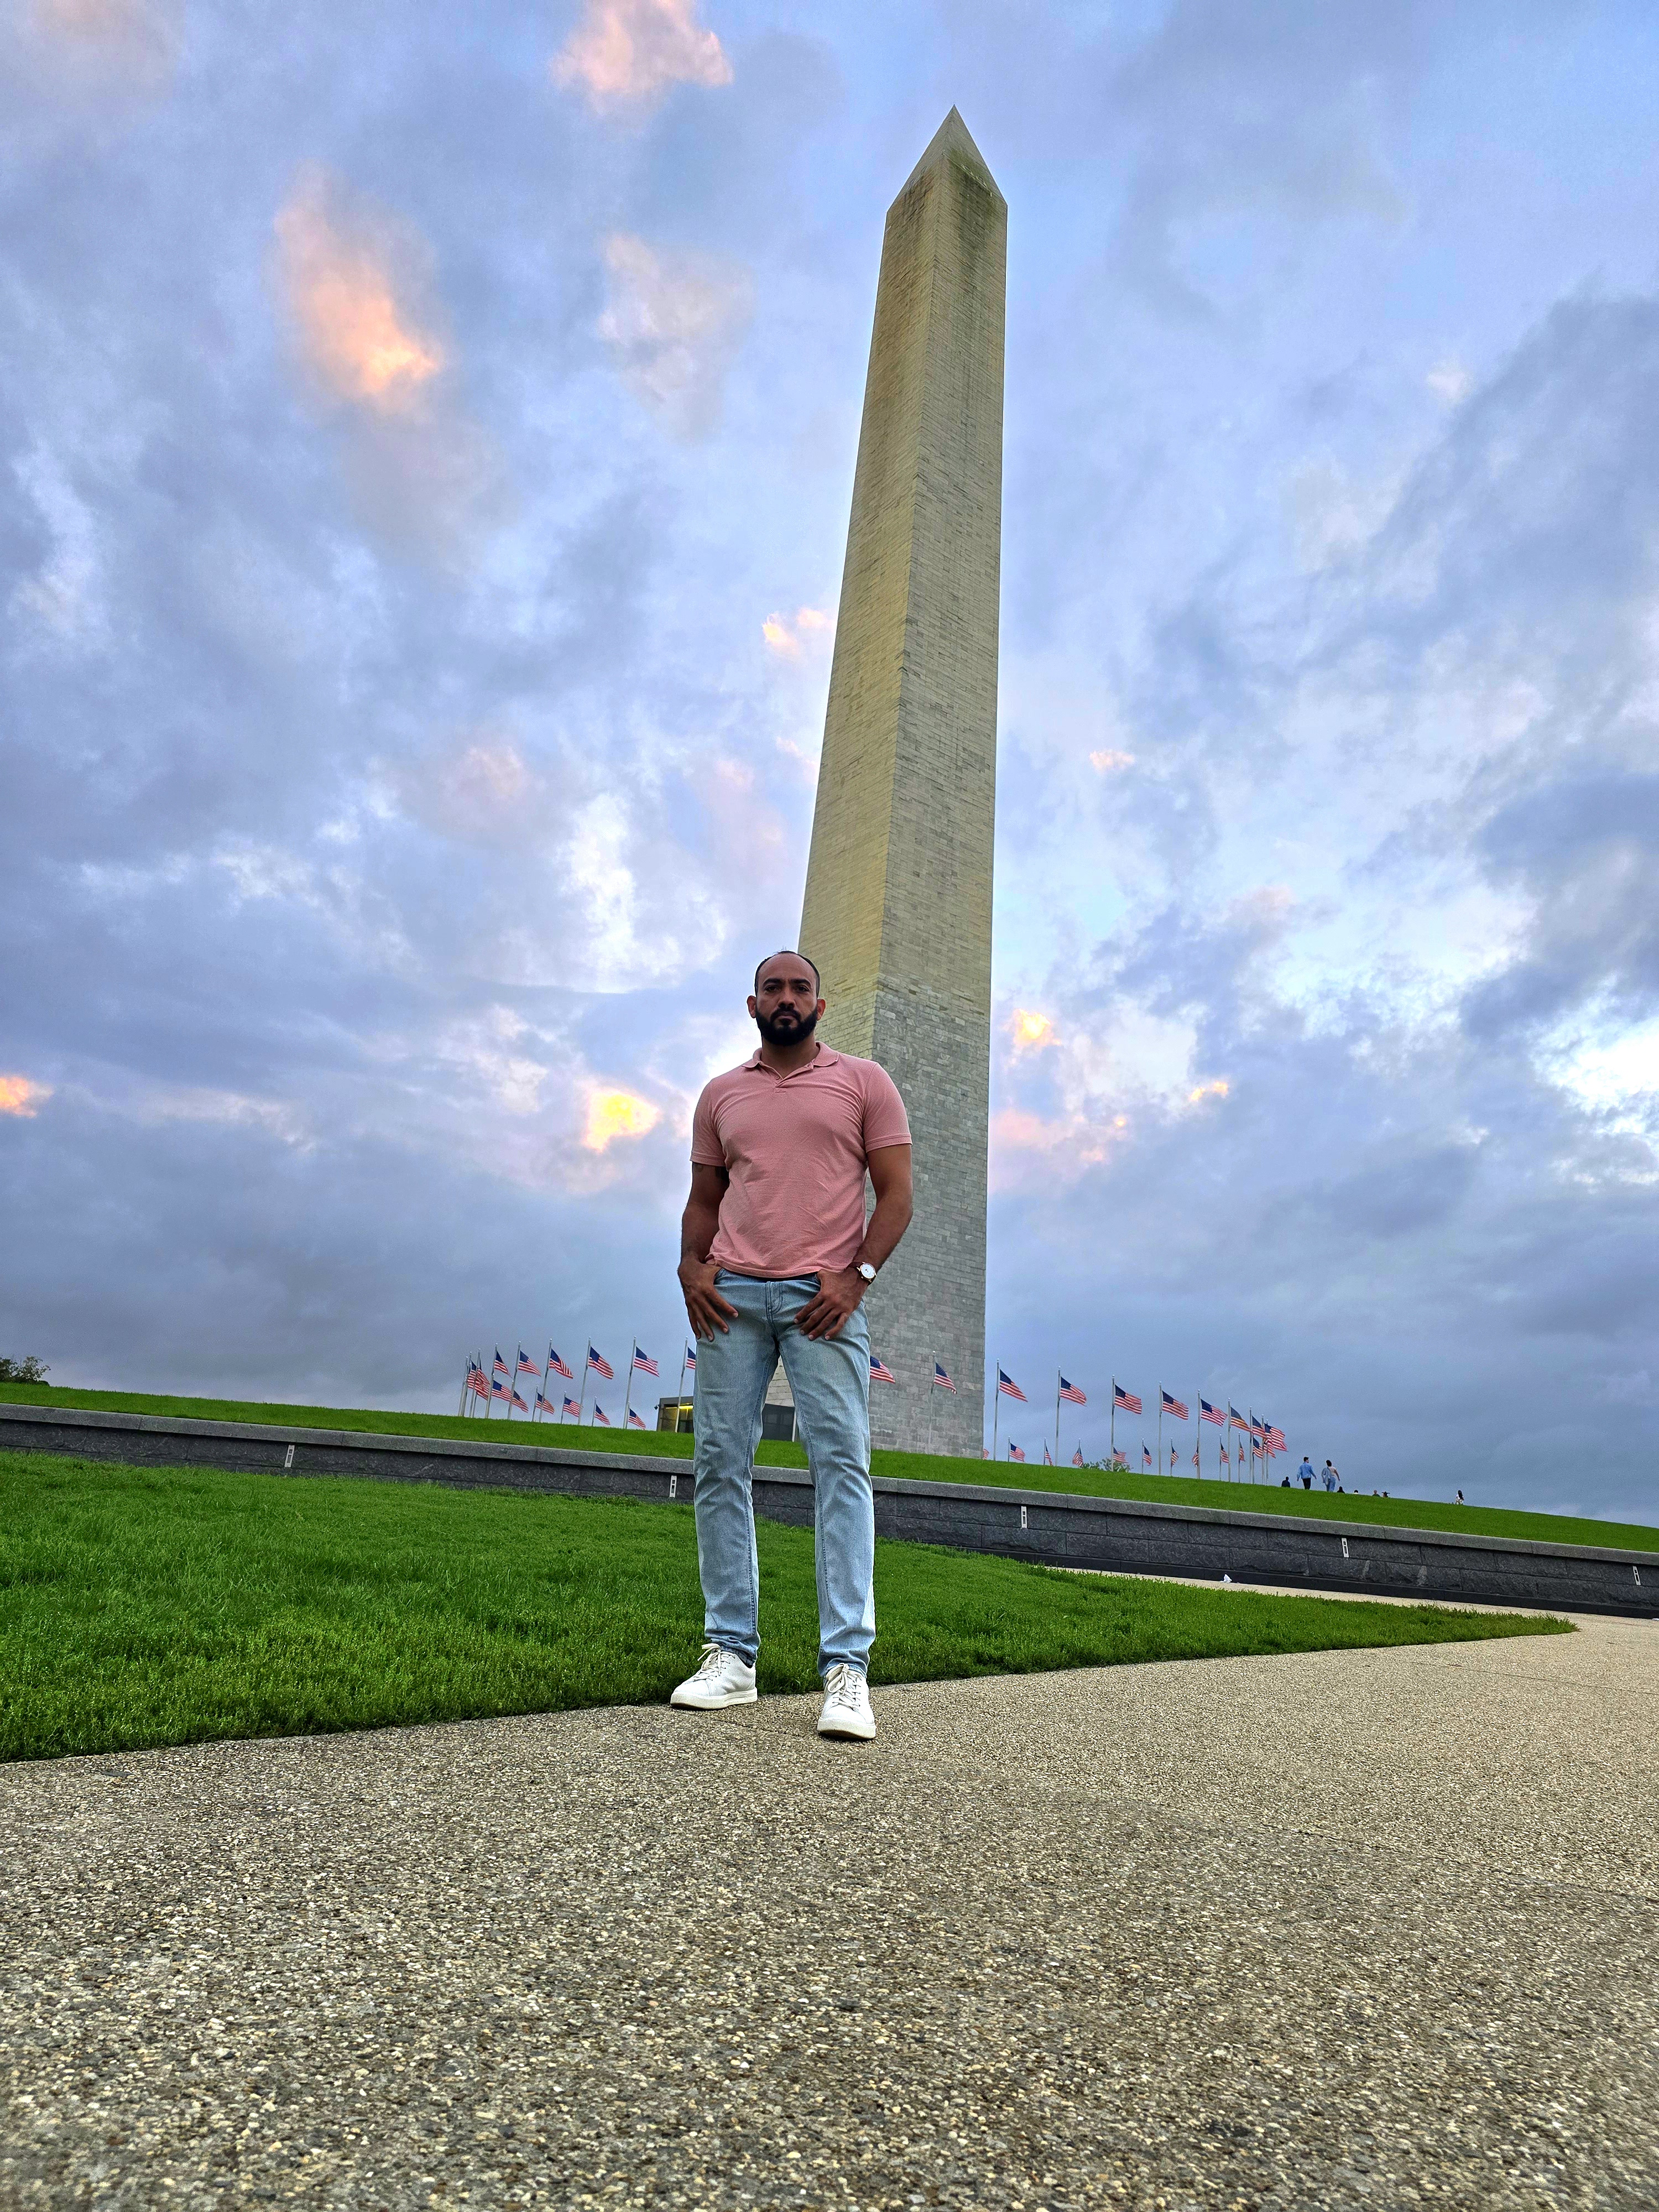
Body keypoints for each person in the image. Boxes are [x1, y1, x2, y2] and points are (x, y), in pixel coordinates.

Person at [671, 950, 914, 1743]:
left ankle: (847, 1668)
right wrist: (690, 1268)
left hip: (823, 1301)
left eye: (799, 987)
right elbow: (704, 1198)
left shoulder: (864, 1082)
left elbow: (898, 1193)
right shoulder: (722, 1093)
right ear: (752, 1004)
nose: (786, 998)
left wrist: (857, 1278)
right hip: (732, 1297)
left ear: (820, 1003)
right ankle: (730, 1654)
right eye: (772, 988)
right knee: (718, 1465)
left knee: (842, 1467)